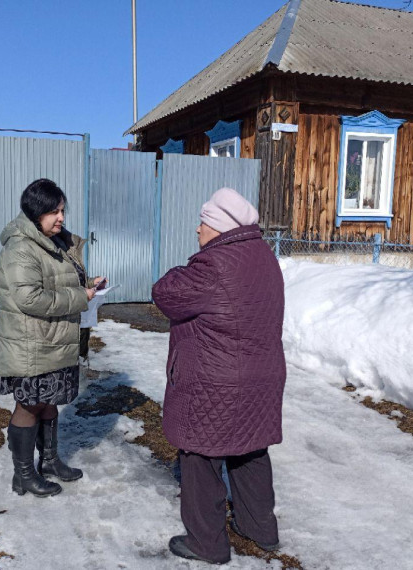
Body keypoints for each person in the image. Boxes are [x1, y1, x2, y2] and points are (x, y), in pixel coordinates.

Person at [152, 187, 286, 564]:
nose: (197, 230)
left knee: (199, 455)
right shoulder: (264, 256)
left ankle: (206, 543)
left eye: (204, 222)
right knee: (250, 448)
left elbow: (165, 293)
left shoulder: (212, 266)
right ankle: (260, 528)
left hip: (216, 380)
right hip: (262, 377)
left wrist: (186, 266)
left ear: (220, 228)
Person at [0, 178, 104, 497]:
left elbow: (58, 280)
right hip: (30, 344)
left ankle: (50, 461)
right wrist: (80, 296)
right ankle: (24, 475)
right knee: (29, 406)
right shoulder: (21, 248)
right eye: (54, 211)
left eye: (62, 210)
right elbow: (31, 299)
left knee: (48, 402)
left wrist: (90, 283)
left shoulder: (51, 241)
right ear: (35, 212)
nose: (61, 218)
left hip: (52, 341)